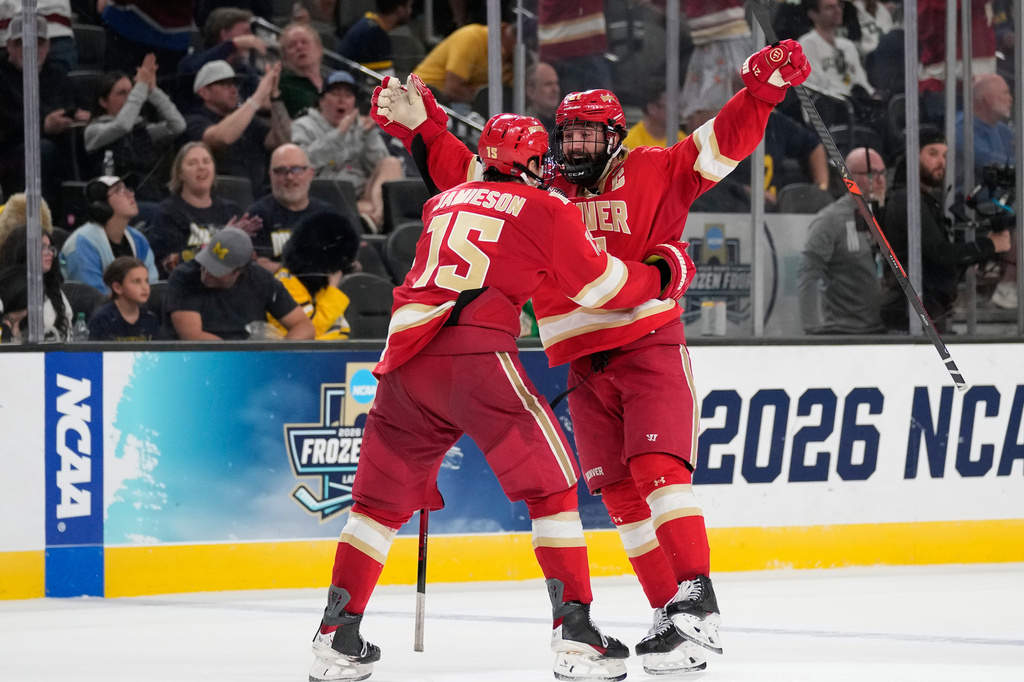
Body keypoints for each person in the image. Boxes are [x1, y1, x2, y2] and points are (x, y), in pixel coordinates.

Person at [370, 39, 810, 675]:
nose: (573, 148)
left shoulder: (657, 168)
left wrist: (763, 91)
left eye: (586, 137)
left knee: (660, 469)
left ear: (615, 138)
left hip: (647, 344)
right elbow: (470, 181)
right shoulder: (540, 187)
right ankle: (670, 619)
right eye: (565, 136)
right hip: (580, 362)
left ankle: (699, 602)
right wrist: (423, 127)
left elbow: (722, 141)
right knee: (621, 497)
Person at [307, 112, 692, 682]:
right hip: (475, 356)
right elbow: (602, 288)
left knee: (376, 506)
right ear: (533, 163)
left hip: (404, 361)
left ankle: (336, 634)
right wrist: (665, 274)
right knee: (555, 486)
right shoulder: (547, 206)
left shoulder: (443, 202)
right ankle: (577, 633)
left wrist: (428, 125)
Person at [880, 127, 1012, 333]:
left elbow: (936, 264)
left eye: (944, 155)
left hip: (929, 311)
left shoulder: (924, 200)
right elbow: (940, 253)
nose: (941, 161)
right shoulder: (906, 199)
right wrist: (989, 245)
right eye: (932, 153)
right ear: (912, 156)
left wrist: (975, 253)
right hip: (911, 315)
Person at [291, 71, 404, 231]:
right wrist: (338, 134)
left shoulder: (361, 126)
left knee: (391, 163)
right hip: (325, 196)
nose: (341, 100)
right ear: (321, 101)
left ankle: (376, 217)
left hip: (363, 196)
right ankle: (377, 216)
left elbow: (380, 167)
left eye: (348, 95)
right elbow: (303, 164)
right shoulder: (303, 126)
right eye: (335, 94)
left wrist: (368, 136)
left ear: (354, 104)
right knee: (372, 207)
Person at [163, 226, 315, 340]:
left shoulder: (261, 279)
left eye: (217, 270)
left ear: (239, 271)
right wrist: (242, 358)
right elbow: (192, 336)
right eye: (206, 261)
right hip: (201, 362)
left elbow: (303, 326)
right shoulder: (184, 277)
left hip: (252, 358)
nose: (207, 271)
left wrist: (277, 356)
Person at [0, 14, 88, 211]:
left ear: (47, 47)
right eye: (23, 43)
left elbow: (74, 105)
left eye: (38, 43)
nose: (32, 49)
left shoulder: (56, 76)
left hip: (58, 148)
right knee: (42, 150)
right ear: (9, 46)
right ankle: (36, 217)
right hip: (12, 152)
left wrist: (79, 117)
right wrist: (43, 125)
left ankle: (81, 209)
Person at [798, 147, 887, 334]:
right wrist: (812, 331)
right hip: (843, 332)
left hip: (884, 331)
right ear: (849, 178)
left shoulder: (890, 217)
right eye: (871, 173)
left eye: (882, 173)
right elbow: (809, 275)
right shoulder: (830, 220)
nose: (879, 180)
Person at [149, 142, 262, 278]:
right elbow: (169, 264)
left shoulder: (232, 211)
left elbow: (248, 261)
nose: (201, 167)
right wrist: (221, 241)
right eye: (192, 163)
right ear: (180, 174)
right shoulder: (167, 213)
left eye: (206, 161)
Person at [84, 54, 187, 201]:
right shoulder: (94, 131)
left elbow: (178, 125)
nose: (129, 98)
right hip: (114, 202)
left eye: (131, 92)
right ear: (103, 102)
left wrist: (152, 90)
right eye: (121, 93)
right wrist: (140, 86)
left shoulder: (142, 129)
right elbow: (122, 126)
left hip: (150, 196)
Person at [954, 73, 1017, 309]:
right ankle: (1008, 285)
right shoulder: (963, 130)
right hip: (968, 203)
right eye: (1005, 93)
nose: (1011, 98)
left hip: (999, 198)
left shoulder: (1001, 130)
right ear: (989, 99)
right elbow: (998, 165)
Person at [184, 59, 291, 196]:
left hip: (258, 195)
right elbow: (223, 137)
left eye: (235, 84)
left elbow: (283, 141)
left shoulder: (249, 120)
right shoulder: (194, 120)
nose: (234, 90)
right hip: (220, 198)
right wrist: (258, 97)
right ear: (204, 93)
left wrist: (275, 97)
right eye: (224, 84)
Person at [248, 144, 346, 270]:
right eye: (281, 171)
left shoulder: (327, 214)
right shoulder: (258, 216)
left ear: (310, 174)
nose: (290, 177)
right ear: (271, 176)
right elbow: (258, 266)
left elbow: (342, 259)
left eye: (297, 169)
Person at [60, 176, 159, 295]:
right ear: (101, 205)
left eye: (127, 189)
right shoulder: (82, 243)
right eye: (119, 190)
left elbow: (153, 286)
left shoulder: (138, 239)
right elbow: (92, 296)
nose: (130, 194)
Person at [268, 211, 360, 339]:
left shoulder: (318, 284)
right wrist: (332, 289)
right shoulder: (286, 282)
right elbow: (310, 330)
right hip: (305, 356)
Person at [177, 7, 267, 111]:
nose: (251, 37)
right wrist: (233, 45)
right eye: (246, 32)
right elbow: (190, 69)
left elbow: (255, 95)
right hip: (201, 121)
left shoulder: (243, 68)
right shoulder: (194, 60)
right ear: (224, 34)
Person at [412, 21, 515, 105]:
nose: (517, 46)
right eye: (515, 37)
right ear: (503, 29)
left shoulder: (514, 61)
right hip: (424, 98)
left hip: (459, 103)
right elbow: (453, 89)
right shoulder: (472, 37)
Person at [0, 225, 73, 341]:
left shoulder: (55, 292)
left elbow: (67, 334)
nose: (49, 253)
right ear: (24, 249)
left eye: (50, 248)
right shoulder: (8, 287)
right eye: (43, 247)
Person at [798, 0, 875, 100]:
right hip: (828, 105)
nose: (837, 10)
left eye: (839, 6)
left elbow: (861, 80)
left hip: (856, 104)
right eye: (829, 8)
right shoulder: (807, 44)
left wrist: (872, 95)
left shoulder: (848, 46)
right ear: (813, 14)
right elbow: (813, 85)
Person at [88, 256, 161, 340]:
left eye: (146, 281)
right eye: (136, 282)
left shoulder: (150, 318)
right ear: (117, 288)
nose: (145, 287)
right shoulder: (102, 320)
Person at [337, 0, 414, 76]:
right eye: (409, 6)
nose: (411, 11)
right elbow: (382, 81)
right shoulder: (376, 35)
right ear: (400, 10)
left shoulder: (366, 24)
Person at [278, 22, 327, 117]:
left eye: (304, 42)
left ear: (319, 49)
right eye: (292, 45)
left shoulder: (333, 83)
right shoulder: (282, 84)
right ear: (284, 57)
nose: (299, 47)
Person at [622, 85, 685, 149]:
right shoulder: (630, 144)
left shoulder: (681, 140)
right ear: (652, 109)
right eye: (671, 106)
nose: (679, 112)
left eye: (678, 106)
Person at [524, 61, 561, 133]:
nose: (556, 90)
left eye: (556, 83)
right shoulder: (524, 127)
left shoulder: (565, 123)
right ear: (531, 92)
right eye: (548, 84)